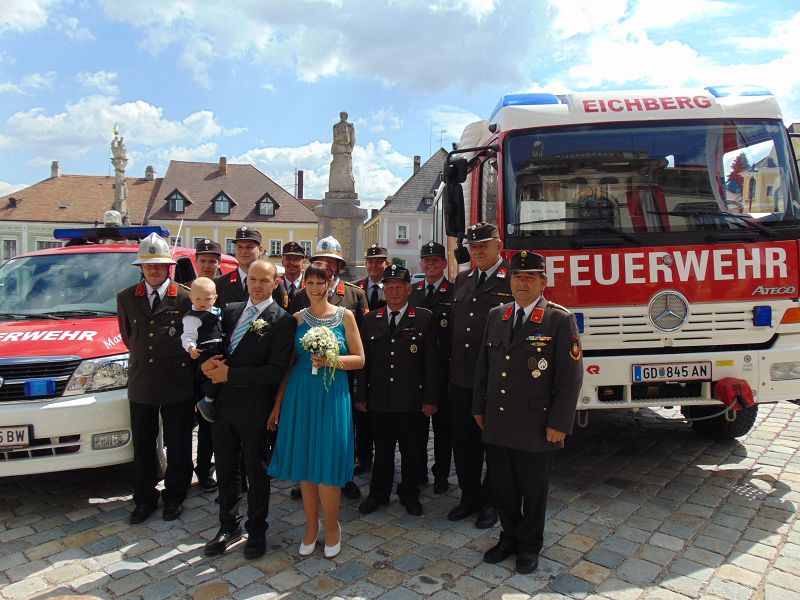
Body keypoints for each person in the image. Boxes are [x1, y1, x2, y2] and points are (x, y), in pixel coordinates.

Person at [473, 251, 583, 574]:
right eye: (518, 277)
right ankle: (509, 536)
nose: (522, 283)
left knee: (534, 492)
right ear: (510, 281)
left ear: (543, 282)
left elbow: (570, 378)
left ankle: (530, 544)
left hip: (537, 426)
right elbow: (484, 367)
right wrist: (479, 407)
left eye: (530, 277)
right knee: (503, 488)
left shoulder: (559, 320)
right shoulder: (498, 315)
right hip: (498, 423)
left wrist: (559, 423)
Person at [267, 262, 365, 558]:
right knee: (306, 467)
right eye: (310, 283)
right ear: (304, 285)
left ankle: (332, 526)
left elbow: (360, 359)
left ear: (330, 283)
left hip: (331, 395)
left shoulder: (345, 316)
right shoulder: (296, 319)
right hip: (300, 395)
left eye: (320, 282)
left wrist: (331, 359)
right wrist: (278, 403)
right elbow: (288, 365)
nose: (315, 288)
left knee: (326, 466)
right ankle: (311, 526)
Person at [202, 259, 297, 560]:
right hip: (224, 406)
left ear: (275, 282)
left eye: (264, 280)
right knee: (227, 469)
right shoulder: (230, 311)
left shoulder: (282, 321)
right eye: (253, 279)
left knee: (257, 473)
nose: (257, 285)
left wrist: (231, 375)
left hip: (256, 409)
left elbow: (275, 370)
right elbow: (217, 348)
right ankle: (228, 525)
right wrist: (205, 364)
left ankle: (257, 529)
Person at [117, 233, 194, 524]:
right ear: (141, 268)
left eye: (159, 266)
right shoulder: (126, 298)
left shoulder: (184, 297)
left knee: (178, 442)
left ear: (168, 267)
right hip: (142, 381)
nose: (154, 270)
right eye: (148, 266)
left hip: (177, 381)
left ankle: (175, 495)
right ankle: (144, 497)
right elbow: (128, 337)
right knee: (144, 443)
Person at [287, 236, 369, 501]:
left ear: (338, 265)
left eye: (331, 262)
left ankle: (342, 478)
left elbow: (362, 343)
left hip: (340, 380)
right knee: (310, 430)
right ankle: (307, 477)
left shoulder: (354, 294)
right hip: (307, 380)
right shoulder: (300, 295)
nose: (326, 265)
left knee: (341, 432)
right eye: (321, 261)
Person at [355, 265, 438, 516]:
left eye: (399, 287)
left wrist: (430, 398)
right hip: (379, 400)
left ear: (408, 289)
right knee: (382, 451)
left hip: (412, 400)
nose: (393, 291)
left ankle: (409, 493)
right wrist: (360, 395)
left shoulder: (423, 318)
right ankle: (378, 493)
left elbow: (432, 363)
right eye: (389, 287)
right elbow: (363, 362)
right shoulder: (371, 319)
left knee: (413, 451)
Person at [448, 222, 511, 530]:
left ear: (499, 245)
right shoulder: (462, 278)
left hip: (496, 379)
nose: (478, 250)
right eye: (473, 246)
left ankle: (491, 502)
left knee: (495, 444)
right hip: (462, 377)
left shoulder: (514, 279)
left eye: (484, 244)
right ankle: (469, 496)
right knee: (464, 442)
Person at [409, 241, 454, 494]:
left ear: (444, 264)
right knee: (416, 427)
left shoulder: (455, 292)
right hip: (416, 370)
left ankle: (441, 474)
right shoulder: (412, 291)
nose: (430, 264)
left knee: (443, 428)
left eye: (435, 260)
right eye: (426, 260)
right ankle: (418, 471)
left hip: (444, 369)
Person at [192, 239, 223, 491]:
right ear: (196, 261)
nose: (207, 265)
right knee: (201, 424)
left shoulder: (219, 290)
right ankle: (202, 468)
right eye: (203, 260)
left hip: (219, 366)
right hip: (193, 369)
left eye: (212, 260)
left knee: (214, 423)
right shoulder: (185, 293)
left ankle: (213, 468)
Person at [181, 277, 224, 423]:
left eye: (207, 299)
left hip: (219, 346)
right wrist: (191, 348)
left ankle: (212, 400)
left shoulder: (217, 311)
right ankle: (207, 401)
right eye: (198, 299)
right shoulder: (191, 318)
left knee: (221, 375)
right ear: (191, 297)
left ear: (215, 298)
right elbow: (187, 336)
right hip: (206, 350)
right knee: (213, 377)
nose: (202, 303)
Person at [215, 227, 263, 308]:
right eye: (240, 247)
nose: (244, 251)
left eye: (249, 247)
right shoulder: (220, 283)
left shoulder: (271, 283)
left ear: (260, 250)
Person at [354, 245, 389, 312]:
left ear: (387, 264)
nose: (374, 265)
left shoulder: (392, 288)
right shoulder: (355, 287)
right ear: (366, 264)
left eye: (379, 262)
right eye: (370, 262)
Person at [273, 241, 306, 310]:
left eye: (296, 259)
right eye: (288, 258)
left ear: (303, 263)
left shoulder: (309, 284)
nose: (292, 262)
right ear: (282, 261)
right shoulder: (275, 284)